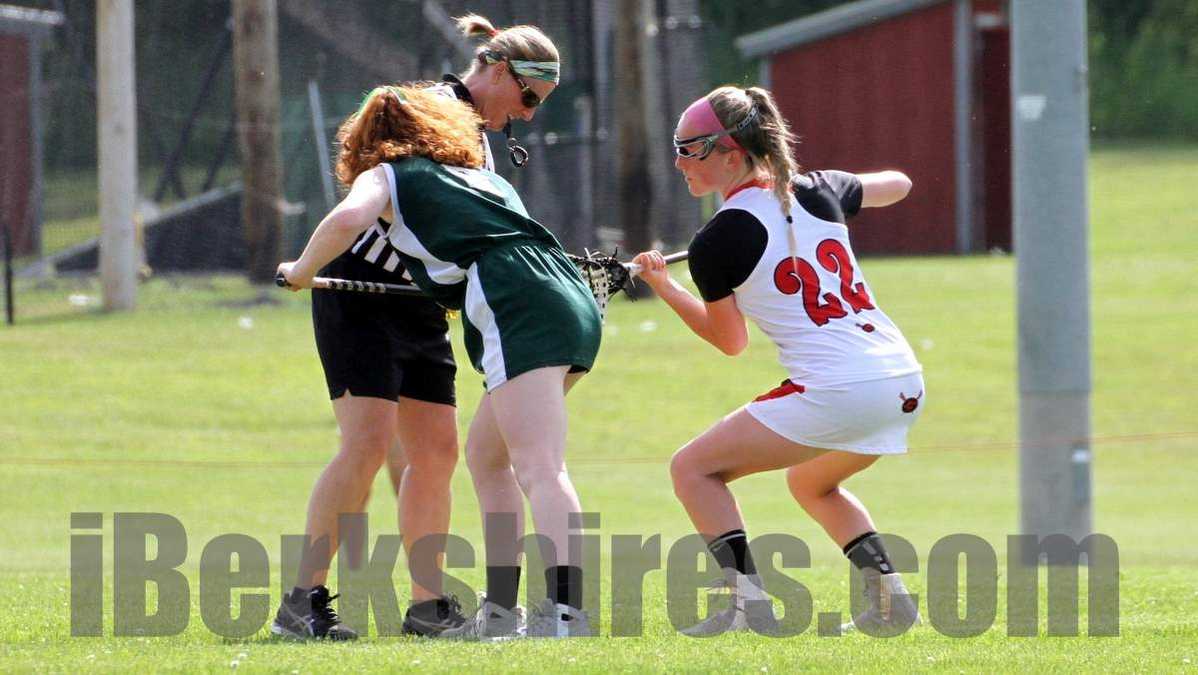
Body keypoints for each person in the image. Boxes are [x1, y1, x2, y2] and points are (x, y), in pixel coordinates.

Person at [269, 14, 563, 640]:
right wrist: (301, 271)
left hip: (419, 305)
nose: (529, 114)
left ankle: (428, 608)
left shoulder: (479, 134)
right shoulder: (423, 109)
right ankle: (301, 602)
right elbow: (359, 202)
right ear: (498, 70)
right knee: (367, 445)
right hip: (360, 294)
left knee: (435, 455)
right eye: (529, 97)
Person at [632, 85, 924, 636]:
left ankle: (747, 605)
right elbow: (900, 184)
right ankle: (891, 601)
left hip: (841, 387)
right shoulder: (819, 188)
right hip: (902, 379)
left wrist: (665, 287)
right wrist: (835, 188)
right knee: (811, 484)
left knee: (693, 470)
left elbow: (729, 342)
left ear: (732, 154)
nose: (679, 161)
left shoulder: (716, 239)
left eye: (690, 149)